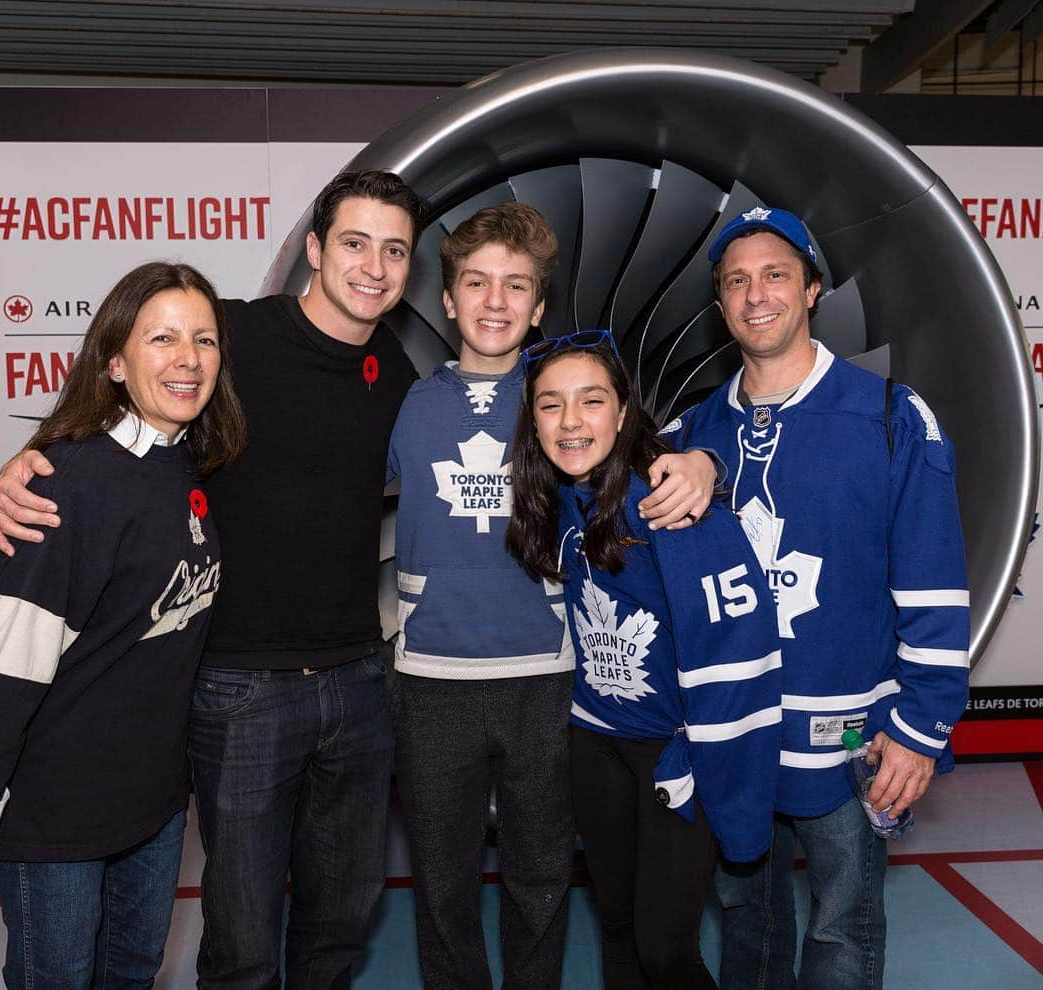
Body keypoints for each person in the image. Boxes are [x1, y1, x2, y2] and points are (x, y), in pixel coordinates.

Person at [0, 172, 716, 990]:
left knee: (364, 911)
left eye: (394, 249)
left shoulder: (492, 393)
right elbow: (148, 401)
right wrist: (43, 457)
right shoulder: (250, 347)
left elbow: (627, 438)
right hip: (262, 687)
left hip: (389, 681)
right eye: (356, 243)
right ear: (315, 250)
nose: (374, 265)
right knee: (252, 926)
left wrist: (699, 457)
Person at [387, 203, 720, 990]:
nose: (494, 302)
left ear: (539, 309)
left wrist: (705, 459)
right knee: (441, 889)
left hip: (549, 684)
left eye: (515, 287)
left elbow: (663, 453)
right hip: (431, 683)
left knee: (541, 882)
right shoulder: (405, 403)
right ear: (447, 299)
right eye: (476, 283)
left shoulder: (564, 401)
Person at [675, 206, 971, 990]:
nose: (755, 294)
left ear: (811, 290)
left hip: (849, 746)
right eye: (736, 282)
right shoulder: (692, 432)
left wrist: (922, 727)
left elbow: (935, 582)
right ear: (720, 307)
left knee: (842, 929)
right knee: (746, 923)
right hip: (733, 740)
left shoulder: (889, 418)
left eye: (775, 274)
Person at [0, 261, 246, 989]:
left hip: (151, 810)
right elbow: (2, 671)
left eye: (205, 339)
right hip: (56, 819)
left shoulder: (190, 467)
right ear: (115, 361)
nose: (188, 358)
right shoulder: (66, 484)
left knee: (131, 975)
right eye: (162, 338)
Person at [506, 332, 783, 989]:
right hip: (596, 745)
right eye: (551, 405)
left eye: (591, 401)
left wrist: (705, 753)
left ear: (625, 412)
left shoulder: (672, 510)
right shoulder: (559, 503)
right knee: (619, 925)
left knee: (666, 950)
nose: (571, 422)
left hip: (673, 756)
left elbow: (741, 652)